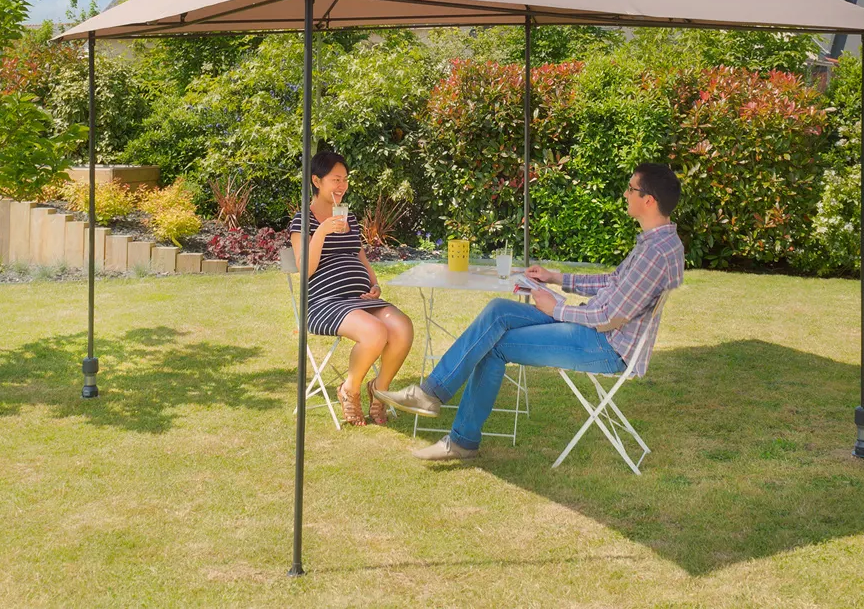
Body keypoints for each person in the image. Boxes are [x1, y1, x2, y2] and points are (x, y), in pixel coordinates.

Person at [376, 162, 685, 459]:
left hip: (605, 345)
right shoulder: (658, 243)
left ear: (649, 200)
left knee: (495, 346)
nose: (625, 194)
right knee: (498, 310)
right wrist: (556, 278)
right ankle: (431, 394)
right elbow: (612, 281)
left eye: (631, 189)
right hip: (593, 327)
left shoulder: (654, 254)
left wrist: (558, 306)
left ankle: (460, 439)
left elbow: (611, 318)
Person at [289, 148, 414, 426]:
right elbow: (305, 269)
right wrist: (322, 230)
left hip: (359, 299)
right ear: (316, 181)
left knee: (403, 327)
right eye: (335, 179)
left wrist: (374, 282)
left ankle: (378, 389)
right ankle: (350, 388)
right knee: (374, 332)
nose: (342, 185)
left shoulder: (349, 219)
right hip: (324, 302)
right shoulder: (302, 221)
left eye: (345, 179)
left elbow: (359, 255)